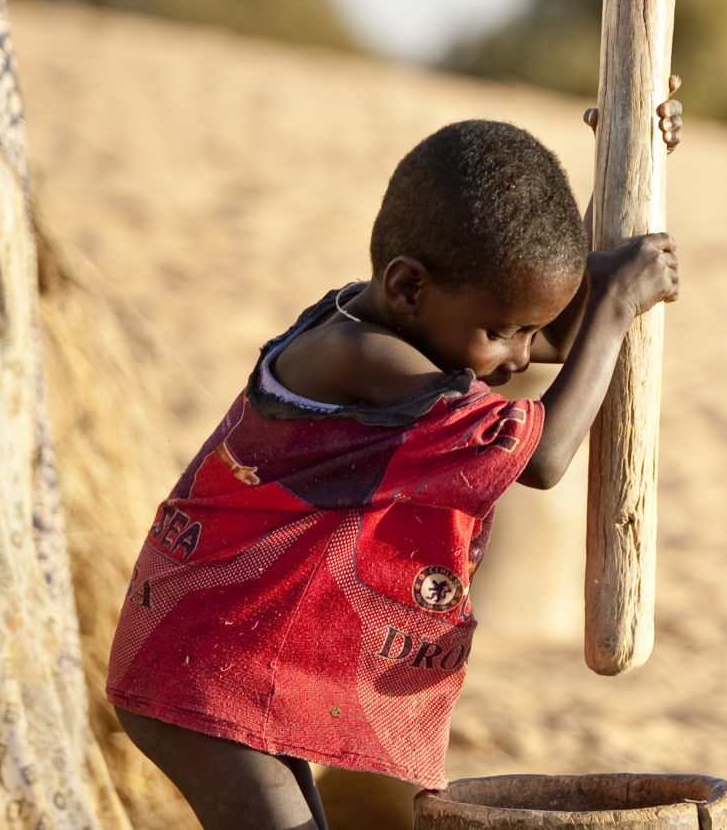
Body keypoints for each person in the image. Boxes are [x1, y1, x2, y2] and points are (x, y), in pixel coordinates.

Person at [106, 98, 683, 830]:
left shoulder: (400, 322)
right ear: (410, 287)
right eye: (502, 332)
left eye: (524, 330)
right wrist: (619, 304)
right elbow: (544, 456)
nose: (517, 356)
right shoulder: (366, 359)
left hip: (242, 656)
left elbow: (562, 326)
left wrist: (626, 168)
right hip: (202, 665)